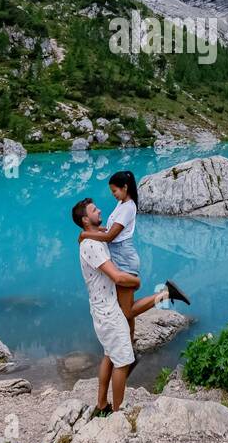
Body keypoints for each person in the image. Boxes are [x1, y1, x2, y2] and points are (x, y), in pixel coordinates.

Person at [77, 171, 189, 343]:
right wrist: (95, 230)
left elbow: (110, 237)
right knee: (126, 308)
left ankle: (166, 293)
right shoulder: (122, 204)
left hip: (123, 259)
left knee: (127, 311)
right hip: (121, 255)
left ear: (125, 188)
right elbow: (110, 230)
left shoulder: (128, 207)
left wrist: (86, 235)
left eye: (114, 191)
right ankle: (129, 343)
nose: (113, 195)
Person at [72, 196, 140, 414]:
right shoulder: (93, 246)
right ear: (85, 219)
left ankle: (102, 404)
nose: (99, 210)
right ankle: (118, 413)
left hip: (102, 308)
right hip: (108, 311)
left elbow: (107, 232)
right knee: (123, 361)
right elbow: (117, 277)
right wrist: (136, 281)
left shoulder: (91, 239)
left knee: (110, 355)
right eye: (94, 210)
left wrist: (86, 233)